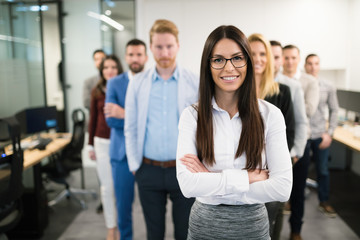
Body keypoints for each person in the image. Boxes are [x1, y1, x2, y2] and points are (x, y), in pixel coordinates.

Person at [176, 25, 292, 240]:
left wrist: (210, 180)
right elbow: (188, 185)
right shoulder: (191, 116)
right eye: (218, 59)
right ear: (208, 65)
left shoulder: (270, 115)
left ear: (247, 62)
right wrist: (248, 178)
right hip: (204, 228)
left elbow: (282, 189)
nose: (229, 67)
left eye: (237, 58)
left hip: (252, 228)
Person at [124, 19, 198, 240]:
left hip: (184, 169)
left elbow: (204, 126)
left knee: (184, 233)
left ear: (177, 46)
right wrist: (134, 165)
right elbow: (131, 126)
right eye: (158, 46)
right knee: (154, 233)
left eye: (169, 46)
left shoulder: (194, 81)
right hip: (148, 169)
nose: (164, 52)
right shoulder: (137, 83)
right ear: (151, 48)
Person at [248, 33, 295, 239]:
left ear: (268, 58)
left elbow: (289, 134)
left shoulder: (282, 92)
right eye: (251, 53)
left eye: (262, 54)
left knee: (269, 226)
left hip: (270, 173)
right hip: (243, 173)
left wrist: (271, 168)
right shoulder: (233, 92)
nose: (257, 59)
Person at [104, 39, 148, 240]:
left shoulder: (153, 81)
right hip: (121, 154)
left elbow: (154, 121)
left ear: (146, 57)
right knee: (123, 207)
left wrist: (126, 114)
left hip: (148, 154)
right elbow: (111, 120)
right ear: (126, 57)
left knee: (153, 209)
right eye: (131, 54)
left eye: (139, 54)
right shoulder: (114, 82)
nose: (135, 58)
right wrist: (138, 117)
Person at [270, 40, 308, 240]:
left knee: (294, 194)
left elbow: (300, 123)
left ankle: (295, 232)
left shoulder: (290, 86)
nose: (275, 62)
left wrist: (294, 154)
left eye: (278, 57)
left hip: (291, 152)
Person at [281, 44, 320, 240]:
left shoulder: (309, 81)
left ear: (299, 59)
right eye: (285, 58)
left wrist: (287, 101)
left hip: (301, 143)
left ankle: (296, 230)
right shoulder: (274, 79)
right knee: (277, 193)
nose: (289, 62)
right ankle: (274, 229)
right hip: (280, 143)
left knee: (298, 191)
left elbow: (310, 109)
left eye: (293, 58)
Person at [88, 55, 123, 240]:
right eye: (106, 67)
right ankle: (111, 227)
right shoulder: (96, 91)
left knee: (121, 189)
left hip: (120, 142)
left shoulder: (125, 87)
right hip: (101, 142)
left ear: (119, 69)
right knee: (107, 188)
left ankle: (122, 224)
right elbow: (92, 119)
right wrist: (90, 145)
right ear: (101, 70)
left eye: (113, 67)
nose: (110, 70)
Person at [305, 54, 339, 218]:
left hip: (320, 134)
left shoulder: (328, 86)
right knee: (297, 171)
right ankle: (290, 201)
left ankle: (323, 201)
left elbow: (334, 110)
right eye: (310, 63)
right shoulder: (299, 84)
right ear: (305, 66)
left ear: (319, 66)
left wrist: (330, 133)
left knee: (323, 170)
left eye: (316, 64)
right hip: (303, 135)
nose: (313, 67)